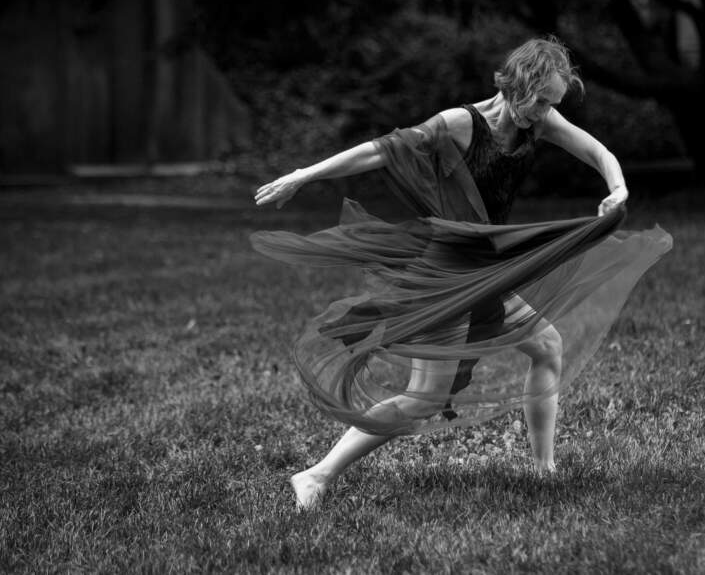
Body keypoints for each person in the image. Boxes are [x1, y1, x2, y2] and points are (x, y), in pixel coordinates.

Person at [252, 36, 671, 510]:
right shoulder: (459, 124)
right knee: (423, 399)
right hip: (449, 274)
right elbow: (379, 151)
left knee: (547, 345)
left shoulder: (540, 122)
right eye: (541, 100)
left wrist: (617, 191)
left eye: (554, 103)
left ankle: (544, 473)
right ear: (518, 85)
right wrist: (305, 174)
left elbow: (600, 154)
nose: (547, 111)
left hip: (486, 273)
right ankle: (316, 475)